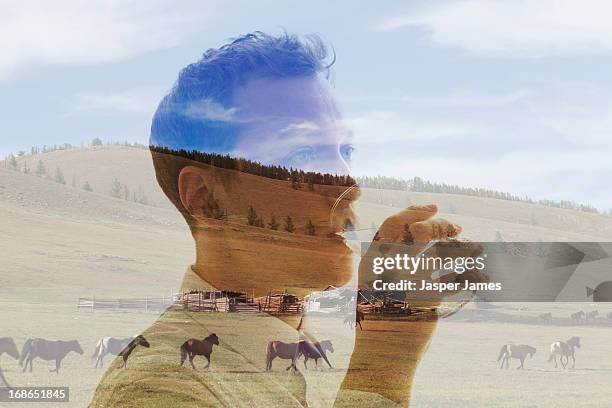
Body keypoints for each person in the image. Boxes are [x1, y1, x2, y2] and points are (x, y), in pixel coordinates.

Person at [90, 31, 474, 407]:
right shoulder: (160, 390)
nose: (350, 185)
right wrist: (384, 364)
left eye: (346, 150)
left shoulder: (306, 357)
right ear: (205, 199)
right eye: (303, 154)